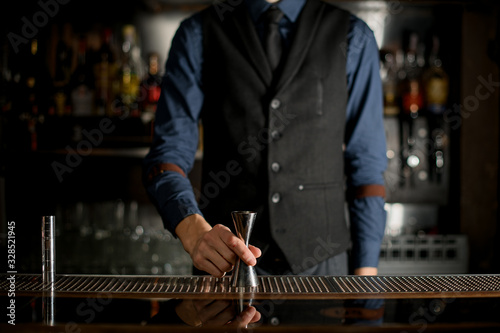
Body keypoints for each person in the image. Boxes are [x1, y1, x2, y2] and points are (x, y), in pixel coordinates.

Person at [143, 0, 387, 278]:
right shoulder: (198, 33)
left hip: (324, 268)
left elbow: (367, 168)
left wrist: (366, 276)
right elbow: (166, 157)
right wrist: (192, 230)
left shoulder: (353, 35)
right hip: (225, 265)